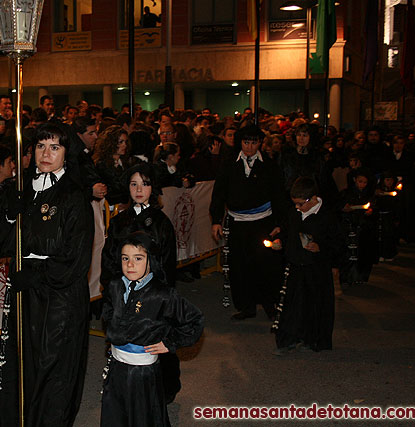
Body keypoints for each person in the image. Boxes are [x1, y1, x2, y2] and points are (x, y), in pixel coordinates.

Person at [0, 123, 94, 427]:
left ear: (66, 153)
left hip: (59, 291)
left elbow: (77, 257)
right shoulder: (19, 187)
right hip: (25, 287)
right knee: (24, 360)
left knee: (53, 364)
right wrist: (10, 213)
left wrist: (35, 276)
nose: (46, 154)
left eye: (54, 147)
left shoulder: (74, 194)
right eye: (40, 146)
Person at [101, 231, 203, 427]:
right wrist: (115, 327)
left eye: (138, 258)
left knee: (143, 416)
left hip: (143, 372)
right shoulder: (114, 285)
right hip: (116, 365)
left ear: (151, 261)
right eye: (125, 258)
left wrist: (170, 342)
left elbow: (195, 320)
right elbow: (108, 309)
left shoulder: (162, 294)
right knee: (115, 413)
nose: (130, 265)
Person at [209, 125, 286, 320]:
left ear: (260, 143)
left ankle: (270, 303)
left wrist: (279, 222)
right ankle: (246, 305)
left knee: (266, 264)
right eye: (246, 142)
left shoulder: (269, 165)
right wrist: (216, 220)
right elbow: (218, 194)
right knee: (240, 265)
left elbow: (279, 195)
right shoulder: (229, 164)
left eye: (254, 142)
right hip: (238, 222)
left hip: (263, 222)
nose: (249, 147)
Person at [270, 177, 344, 355]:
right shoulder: (294, 213)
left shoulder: (327, 215)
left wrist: (321, 247)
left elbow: (338, 243)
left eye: (301, 204)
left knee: (314, 305)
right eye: (295, 203)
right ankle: (287, 340)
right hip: (295, 265)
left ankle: (312, 340)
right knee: (291, 305)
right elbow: (288, 233)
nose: (297, 207)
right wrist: (280, 241)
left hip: (316, 268)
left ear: (313, 199)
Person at [338, 168, 377, 286]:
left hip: (364, 227)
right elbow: (339, 207)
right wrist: (345, 209)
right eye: (360, 182)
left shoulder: (369, 194)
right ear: (355, 180)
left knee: (363, 253)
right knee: (348, 253)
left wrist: (371, 211)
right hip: (350, 226)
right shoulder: (346, 193)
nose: (362, 185)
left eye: (365, 182)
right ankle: (347, 276)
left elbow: (374, 208)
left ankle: (361, 276)